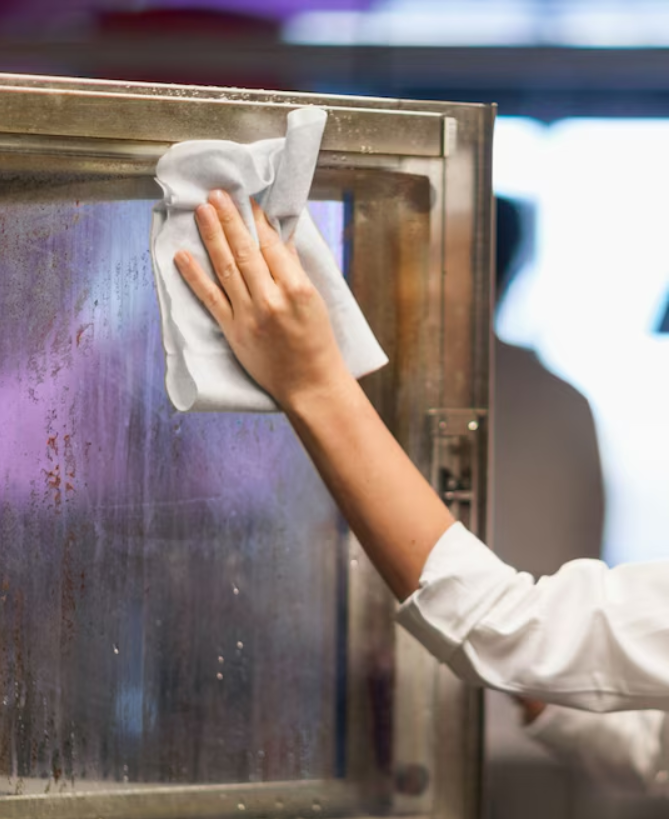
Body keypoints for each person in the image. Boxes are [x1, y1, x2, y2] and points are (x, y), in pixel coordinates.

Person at [173, 190, 669, 787]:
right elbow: (650, 747)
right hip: (457, 736)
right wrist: (537, 679)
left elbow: (502, 625)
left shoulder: (535, 400)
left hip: (485, 760)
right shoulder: (564, 400)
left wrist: (313, 383)